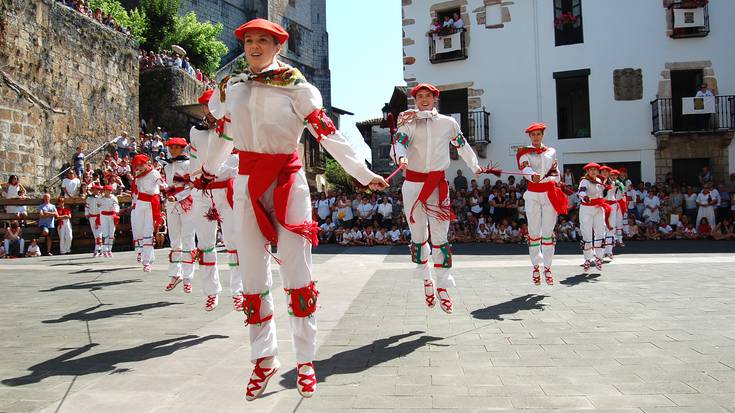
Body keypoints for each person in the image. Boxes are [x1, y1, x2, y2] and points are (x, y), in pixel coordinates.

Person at [199, 18, 388, 400]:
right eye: (249, 40)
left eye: (262, 41)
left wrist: (362, 173)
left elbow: (327, 133)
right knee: (252, 273)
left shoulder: (297, 87)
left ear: (277, 45)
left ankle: (304, 360)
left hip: (287, 181)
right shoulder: (228, 86)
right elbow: (224, 133)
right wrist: (205, 170)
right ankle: (263, 357)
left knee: (297, 271)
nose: (254, 46)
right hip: (247, 182)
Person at [391, 82, 481, 313]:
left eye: (427, 96)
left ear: (434, 99)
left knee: (440, 236)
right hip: (413, 184)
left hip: (437, 185)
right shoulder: (409, 123)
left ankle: (443, 286)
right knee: (419, 235)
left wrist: (474, 166)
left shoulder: (448, 123)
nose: (423, 99)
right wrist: (400, 157)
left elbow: (462, 145)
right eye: (419, 96)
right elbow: (398, 144)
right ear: (415, 99)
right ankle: (426, 281)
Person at [188, 88, 244, 312]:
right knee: (205, 243)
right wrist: (192, 177)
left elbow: (237, 161)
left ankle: (238, 290)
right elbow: (193, 161)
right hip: (202, 192)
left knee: (233, 242)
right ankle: (211, 291)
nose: (210, 111)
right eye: (206, 106)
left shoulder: (233, 128)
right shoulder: (195, 132)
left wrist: (210, 170)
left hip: (224, 191)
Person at [514, 123, 567, 285]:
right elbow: (524, 168)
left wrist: (553, 180)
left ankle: (548, 267)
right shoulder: (524, 152)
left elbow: (555, 172)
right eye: (533, 135)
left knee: (548, 231)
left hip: (548, 193)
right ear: (530, 137)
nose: (536, 137)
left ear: (542, 135)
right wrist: (532, 175)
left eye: (538, 134)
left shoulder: (551, 151)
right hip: (533, 193)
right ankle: (536, 266)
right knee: (534, 231)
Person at [162, 137, 196, 293]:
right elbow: (169, 185)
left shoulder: (189, 164)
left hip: (187, 203)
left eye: (176, 147)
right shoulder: (167, 166)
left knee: (188, 238)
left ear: (183, 148)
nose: (173, 149)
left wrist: (178, 196)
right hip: (171, 204)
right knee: (175, 239)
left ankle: (188, 277)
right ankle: (176, 273)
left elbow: (192, 186)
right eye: (171, 147)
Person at [131, 154, 166, 272]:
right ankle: (141, 251)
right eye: (137, 166)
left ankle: (147, 261)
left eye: (141, 165)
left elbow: (162, 183)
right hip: (141, 203)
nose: (139, 168)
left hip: (152, 203)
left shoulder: (154, 173)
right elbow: (136, 189)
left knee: (148, 231)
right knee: (139, 229)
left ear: (146, 163)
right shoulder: (137, 175)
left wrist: (171, 190)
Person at [578, 163, 609, 274]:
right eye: (591, 170)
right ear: (587, 171)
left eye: (595, 170)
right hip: (586, 209)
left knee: (600, 232)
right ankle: (587, 259)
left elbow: (601, 194)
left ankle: (599, 257)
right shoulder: (584, 181)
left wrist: (606, 189)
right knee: (586, 233)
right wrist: (584, 197)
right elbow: (581, 191)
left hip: (598, 208)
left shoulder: (599, 181)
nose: (593, 172)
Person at [98, 185, 119, 257]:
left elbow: (116, 205)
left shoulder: (113, 198)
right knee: (105, 233)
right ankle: (104, 250)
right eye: (106, 190)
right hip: (104, 216)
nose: (108, 192)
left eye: (109, 190)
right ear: (104, 191)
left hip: (112, 216)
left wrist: (116, 210)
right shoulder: (100, 198)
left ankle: (109, 250)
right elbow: (98, 205)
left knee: (111, 234)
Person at [85, 184, 103, 256]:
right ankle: (101, 250)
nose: (95, 191)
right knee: (95, 234)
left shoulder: (101, 198)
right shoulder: (89, 198)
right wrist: (87, 214)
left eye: (97, 189)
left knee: (99, 234)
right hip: (92, 217)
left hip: (99, 217)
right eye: (93, 190)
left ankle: (96, 250)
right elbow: (87, 207)